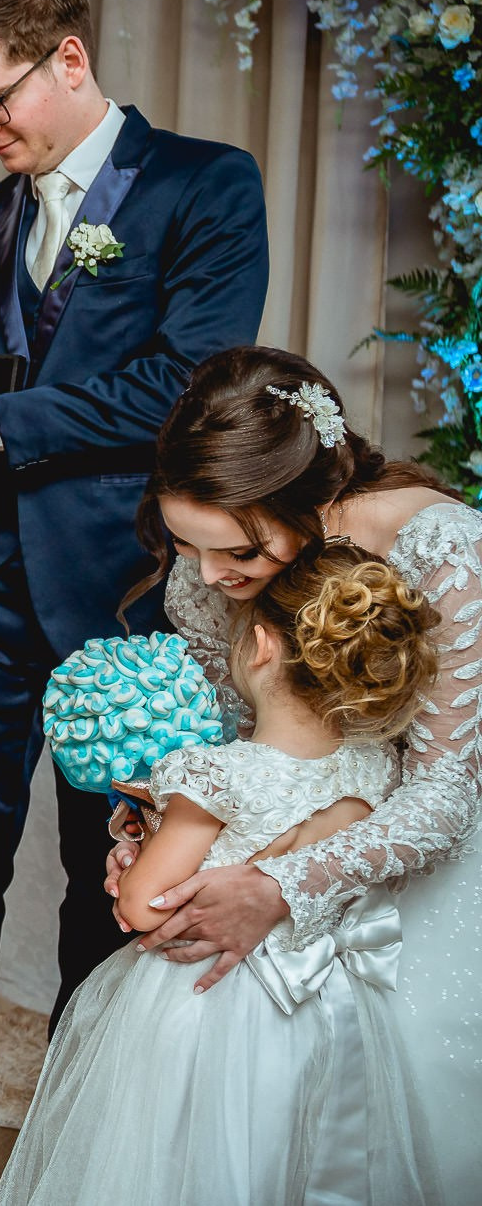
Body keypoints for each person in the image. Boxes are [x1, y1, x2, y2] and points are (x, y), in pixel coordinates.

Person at [0, 0, 269, 1206]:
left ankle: (84, 1113)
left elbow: (187, 387)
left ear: (68, 60)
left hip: (126, 591)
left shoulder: (204, 184)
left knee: (110, 857)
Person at [108, 345, 482, 1183]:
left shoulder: (442, 547)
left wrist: (282, 888)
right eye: (184, 544)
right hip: (275, 830)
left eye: (239, 552)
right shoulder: (209, 576)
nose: (209, 577)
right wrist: (147, 830)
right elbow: (224, 747)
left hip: (416, 869)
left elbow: (444, 795)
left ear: (305, 495)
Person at [0, 542, 445, 1204]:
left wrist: (145, 839)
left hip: (203, 1004)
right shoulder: (375, 767)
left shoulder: (213, 775)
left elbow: (147, 906)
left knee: (174, 1153)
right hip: (319, 1005)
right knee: (282, 1152)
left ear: (260, 646)